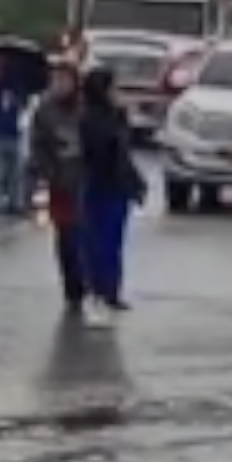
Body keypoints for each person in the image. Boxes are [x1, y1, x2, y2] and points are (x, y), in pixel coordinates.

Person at [79, 66, 146, 325]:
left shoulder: (118, 116)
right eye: (113, 87)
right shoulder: (90, 119)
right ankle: (97, 290)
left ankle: (111, 291)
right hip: (98, 184)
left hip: (117, 187)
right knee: (97, 242)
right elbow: (99, 152)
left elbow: (125, 155)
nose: (117, 93)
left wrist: (134, 183)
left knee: (113, 242)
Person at [29, 58, 86, 311]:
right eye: (56, 80)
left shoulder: (86, 108)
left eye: (65, 80)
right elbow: (37, 144)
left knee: (83, 237)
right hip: (59, 182)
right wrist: (44, 171)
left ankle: (89, 283)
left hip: (85, 183)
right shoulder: (45, 110)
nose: (60, 85)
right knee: (65, 238)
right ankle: (72, 289)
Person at [0, 55, 27, 216]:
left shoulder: (16, 86)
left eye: (1, 68)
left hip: (13, 133)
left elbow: (22, 105)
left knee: (15, 170)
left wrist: (16, 99)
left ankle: (15, 202)